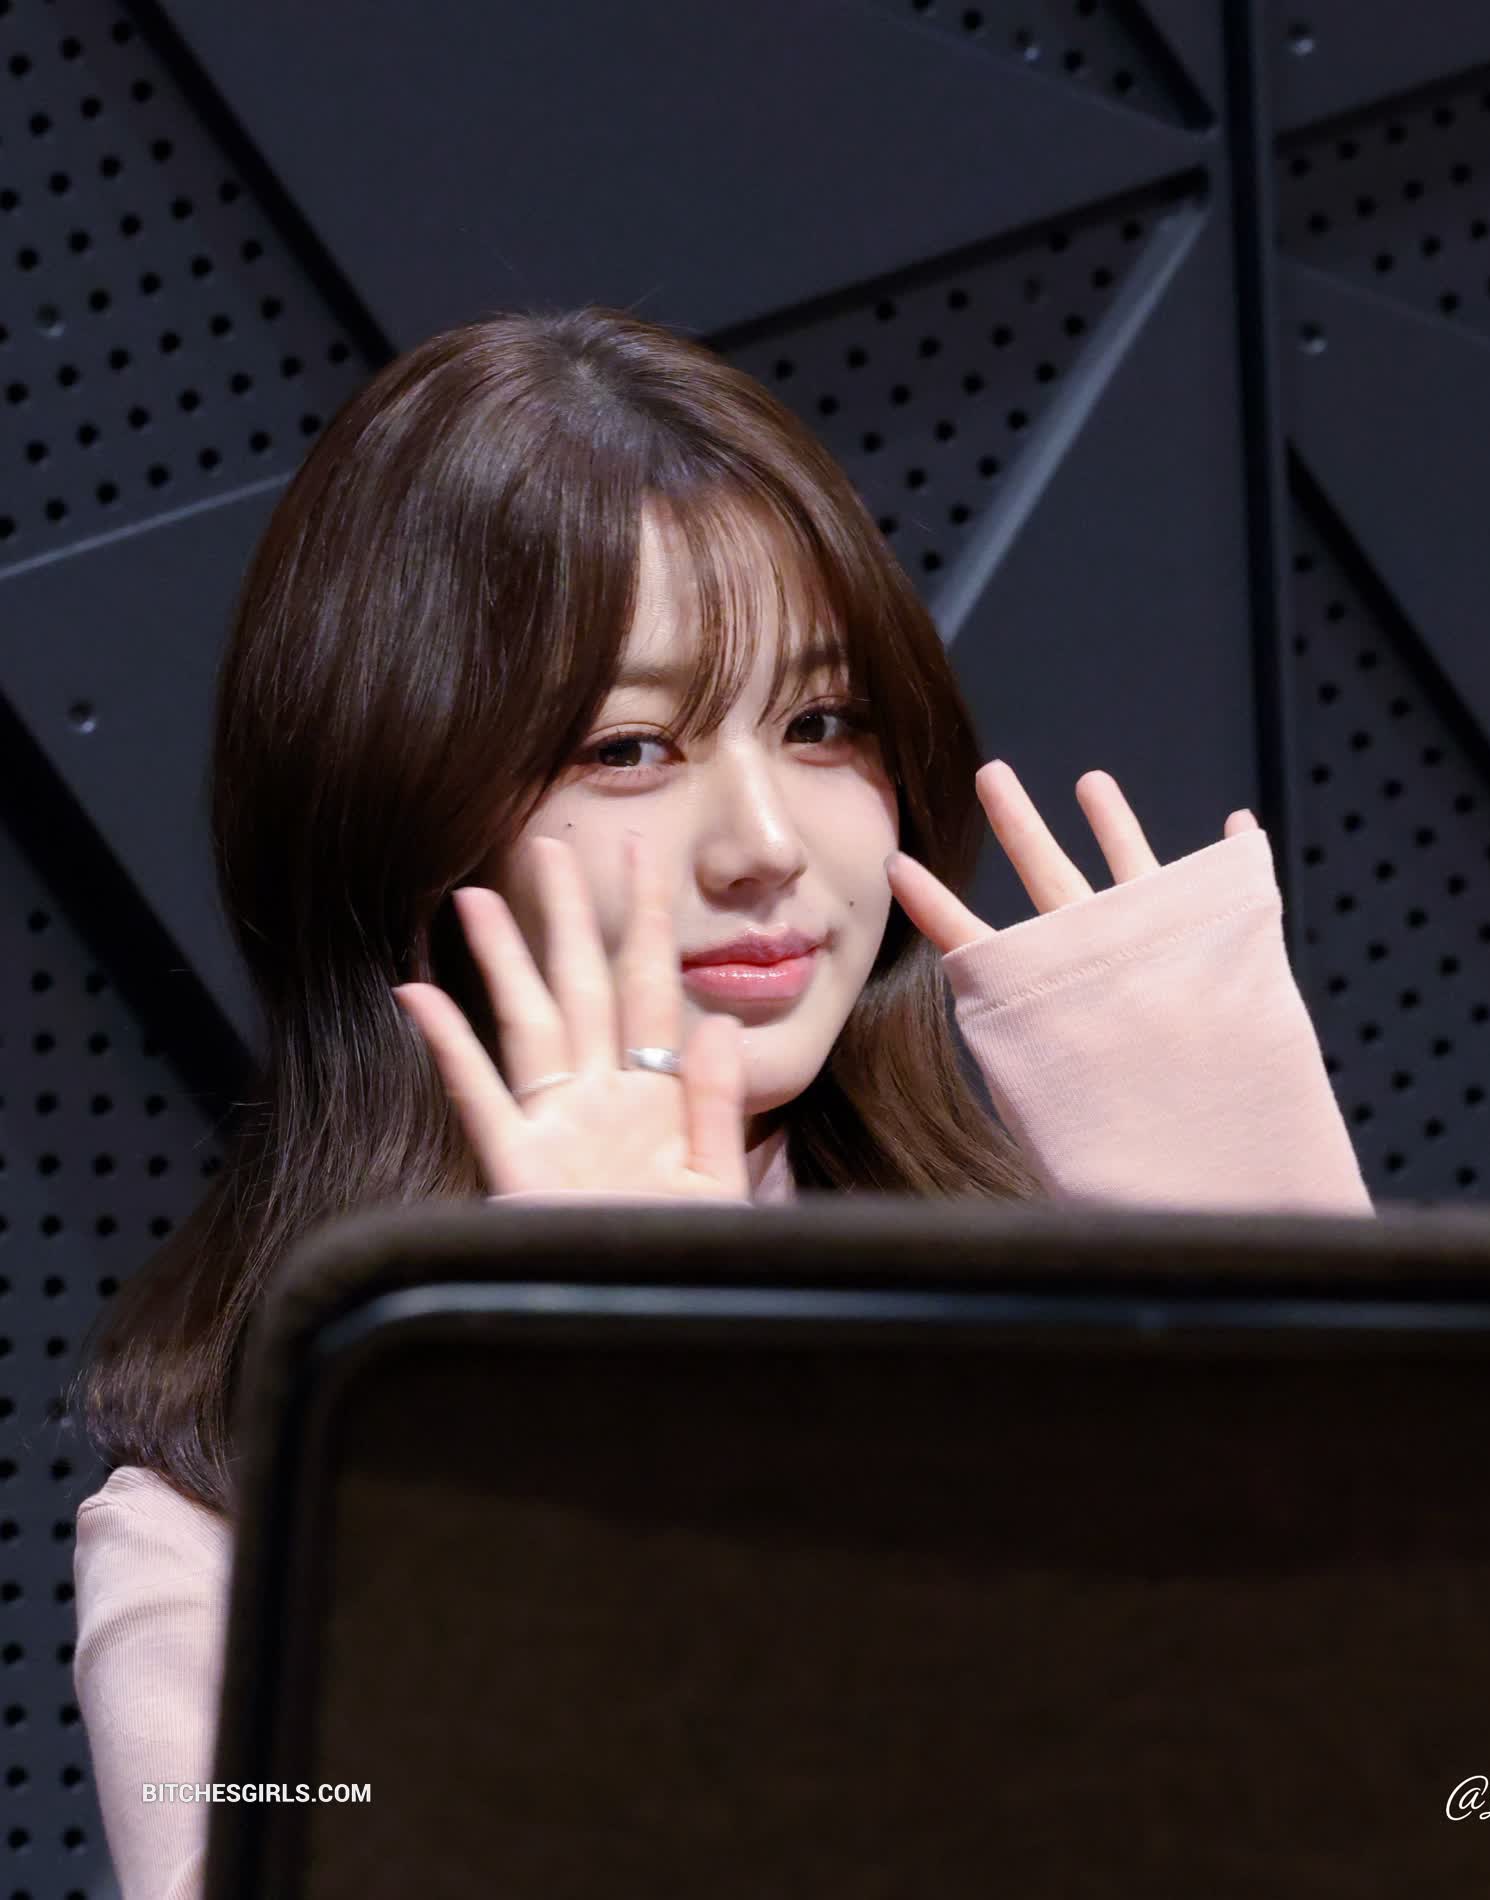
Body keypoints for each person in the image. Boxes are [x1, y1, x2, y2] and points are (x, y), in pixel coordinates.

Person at [64, 305, 1373, 1900]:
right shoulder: (222, 1527)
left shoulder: (1060, 1327)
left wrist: (1294, 1305)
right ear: (396, 813)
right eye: (630, 748)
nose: (763, 843)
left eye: (822, 724)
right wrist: (599, 1414)